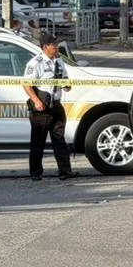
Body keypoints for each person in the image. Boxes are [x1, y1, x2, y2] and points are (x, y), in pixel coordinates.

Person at [23, 34, 80, 181]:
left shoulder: (59, 61)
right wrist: (36, 101)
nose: (56, 47)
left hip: (56, 105)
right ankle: (36, 173)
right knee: (38, 142)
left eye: (56, 44)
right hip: (41, 108)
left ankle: (65, 171)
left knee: (59, 139)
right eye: (53, 45)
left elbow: (65, 79)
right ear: (45, 47)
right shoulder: (35, 63)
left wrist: (67, 86)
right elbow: (26, 84)